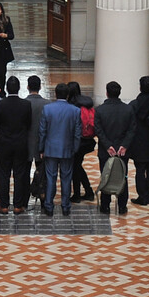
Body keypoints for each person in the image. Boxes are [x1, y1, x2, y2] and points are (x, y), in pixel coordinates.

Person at [38, 83, 82, 217]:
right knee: (66, 178)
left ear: (55, 94)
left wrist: (41, 148)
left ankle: (49, 206)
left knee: (51, 178)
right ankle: (65, 206)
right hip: (67, 149)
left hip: (50, 149)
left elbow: (42, 131)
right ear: (67, 95)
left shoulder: (47, 109)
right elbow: (77, 132)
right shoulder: (75, 110)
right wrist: (75, 148)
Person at [94, 81, 135, 215]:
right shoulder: (128, 109)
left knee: (105, 175)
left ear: (106, 93)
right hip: (123, 151)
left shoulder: (100, 110)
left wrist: (107, 146)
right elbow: (132, 129)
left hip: (106, 151)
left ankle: (105, 206)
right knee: (123, 176)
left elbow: (99, 131)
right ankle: (122, 206)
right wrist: (124, 145)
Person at [0, 76, 33, 214]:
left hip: (4, 143)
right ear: (19, 88)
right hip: (21, 144)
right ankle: (18, 205)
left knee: (4, 174)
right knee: (19, 174)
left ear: (6, 88)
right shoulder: (26, 104)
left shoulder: (0, 104)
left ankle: (4, 205)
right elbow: (28, 124)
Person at [129, 76, 149, 206]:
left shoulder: (134, 105)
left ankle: (142, 195)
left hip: (139, 143)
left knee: (140, 170)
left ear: (140, 88)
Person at [67, 82, 96, 203]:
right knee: (77, 165)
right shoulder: (87, 103)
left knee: (75, 166)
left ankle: (78, 194)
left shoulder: (73, 106)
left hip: (77, 141)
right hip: (88, 140)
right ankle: (87, 192)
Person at [25, 75, 50, 201]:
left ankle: (23, 200)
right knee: (43, 175)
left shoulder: (23, 103)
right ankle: (43, 199)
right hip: (43, 145)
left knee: (24, 173)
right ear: (40, 87)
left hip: (26, 145)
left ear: (28, 87)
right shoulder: (47, 104)